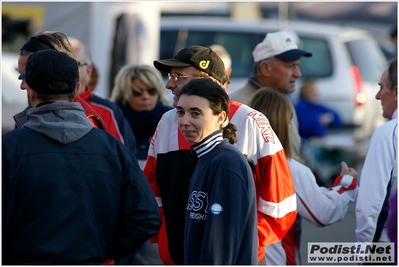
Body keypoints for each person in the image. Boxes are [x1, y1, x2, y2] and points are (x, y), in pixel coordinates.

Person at [2, 50, 161, 264]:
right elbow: (147, 218)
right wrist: (101, 249)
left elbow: (147, 219)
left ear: (28, 89)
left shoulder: (8, 148)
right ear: (77, 87)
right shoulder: (113, 148)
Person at [145, 45, 297, 264]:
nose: (169, 84)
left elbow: (281, 203)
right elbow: (151, 189)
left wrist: (243, 243)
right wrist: (167, 245)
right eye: (170, 76)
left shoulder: (251, 121)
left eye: (178, 76)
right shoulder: (168, 121)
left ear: (207, 80)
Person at [249, 88, 358, 265]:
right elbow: (324, 212)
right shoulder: (290, 169)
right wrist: (346, 184)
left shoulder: (236, 161)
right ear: (287, 124)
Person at [177, 78, 258, 264]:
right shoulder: (207, 157)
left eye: (195, 113)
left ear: (220, 118)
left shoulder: (225, 163)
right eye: (180, 112)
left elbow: (220, 249)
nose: (184, 121)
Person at [229, 30, 312, 161]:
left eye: (298, 66)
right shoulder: (237, 106)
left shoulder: (284, 101)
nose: (298, 73)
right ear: (265, 68)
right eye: (291, 66)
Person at [13, 31, 105, 130]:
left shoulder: (87, 121)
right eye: (22, 76)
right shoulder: (27, 117)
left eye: (29, 76)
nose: (22, 86)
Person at [68, 37, 137, 154]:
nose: (66, 69)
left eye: (74, 64)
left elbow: (125, 160)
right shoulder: (38, 108)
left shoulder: (108, 111)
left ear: (89, 70)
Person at [355, 57, 397, 245]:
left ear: (396, 92)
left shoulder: (387, 134)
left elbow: (369, 207)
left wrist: (364, 253)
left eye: (381, 87)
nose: (377, 96)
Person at [110, 64, 173, 168]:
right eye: (137, 92)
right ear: (123, 94)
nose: (145, 96)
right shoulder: (112, 119)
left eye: (151, 90)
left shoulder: (170, 119)